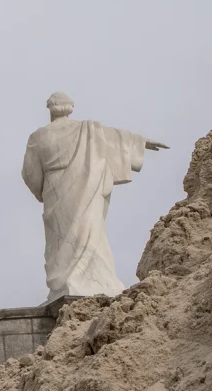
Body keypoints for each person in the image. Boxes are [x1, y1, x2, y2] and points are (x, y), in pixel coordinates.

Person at [21, 92, 168, 301]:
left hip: (55, 189)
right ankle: (93, 281)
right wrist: (141, 143)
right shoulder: (88, 130)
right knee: (92, 233)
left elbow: (30, 173)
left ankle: (72, 282)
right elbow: (116, 139)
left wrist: (43, 191)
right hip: (86, 183)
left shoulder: (39, 137)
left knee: (65, 239)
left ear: (50, 110)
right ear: (70, 108)